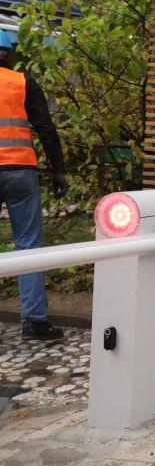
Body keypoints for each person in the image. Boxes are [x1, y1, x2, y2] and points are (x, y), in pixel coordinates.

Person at [0, 30, 68, 340]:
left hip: (17, 170)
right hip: (20, 170)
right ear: (7, 54)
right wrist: (59, 172)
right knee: (28, 245)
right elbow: (46, 129)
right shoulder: (21, 81)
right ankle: (35, 322)